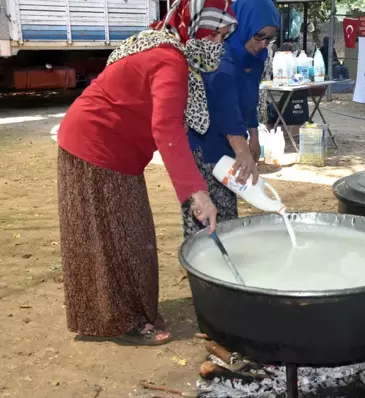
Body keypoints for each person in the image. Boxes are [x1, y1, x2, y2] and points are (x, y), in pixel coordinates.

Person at [56, 0, 237, 346]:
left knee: (119, 235)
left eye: (224, 36)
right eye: (216, 34)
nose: (219, 44)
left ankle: (114, 315)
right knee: (121, 238)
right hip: (95, 147)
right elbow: (167, 130)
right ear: (196, 28)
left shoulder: (164, 43)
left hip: (109, 147)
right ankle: (127, 321)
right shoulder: (170, 60)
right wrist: (199, 195)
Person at [182, 0, 280, 237]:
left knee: (227, 215)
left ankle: (222, 267)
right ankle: (202, 268)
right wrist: (240, 147)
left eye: (270, 39)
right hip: (205, 145)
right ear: (243, 25)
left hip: (230, 145)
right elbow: (222, 100)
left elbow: (250, 97)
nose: (263, 45)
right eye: (259, 37)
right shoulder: (220, 53)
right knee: (205, 217)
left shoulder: (255, 58)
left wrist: (253, 135)